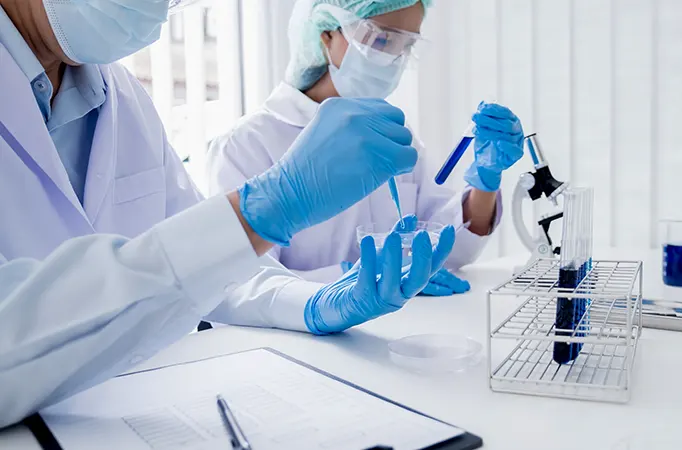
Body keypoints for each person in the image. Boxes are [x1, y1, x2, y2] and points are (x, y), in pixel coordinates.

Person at [0, 0, 454, 428]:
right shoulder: (245, 139)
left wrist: (310, 302)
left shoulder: (120, 95)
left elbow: (208, 268)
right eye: (381, 38)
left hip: (137, 410)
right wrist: (265, 209)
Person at [206, 0, 525, 296]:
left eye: (407, 44)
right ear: (326, 35)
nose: (394, 58)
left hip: (393, 334)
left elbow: (444, 250)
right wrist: (352, 277)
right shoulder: (247, 145)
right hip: (296, 346)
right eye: (382, 40)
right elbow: (244, 285)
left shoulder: (395, 133)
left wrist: (485, 180)